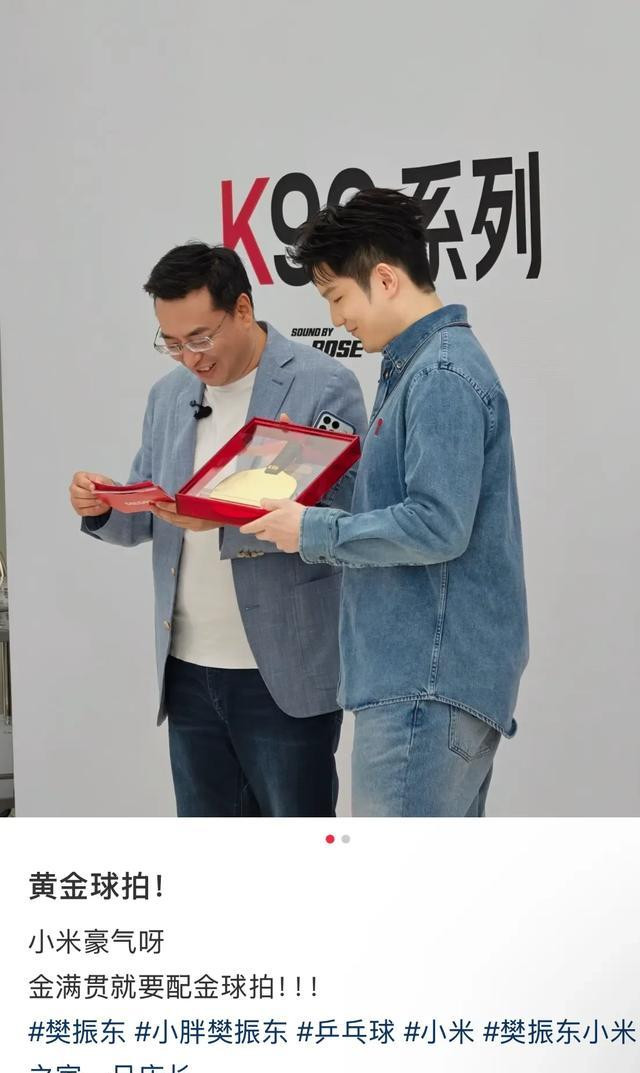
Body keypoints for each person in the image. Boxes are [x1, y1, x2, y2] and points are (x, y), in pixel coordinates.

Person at [240, 189, 529, 817]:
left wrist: (311, 530)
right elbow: (407, 503)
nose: (336, 318)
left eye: (337, 297)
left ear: (386, 279)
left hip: (423, 686)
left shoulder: (439, 374)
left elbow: (437, 525)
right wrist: (314, 458)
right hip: (425, 683)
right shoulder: (424, 368)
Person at [69, 243, 367, 818]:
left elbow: (350, 517)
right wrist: (101, 505)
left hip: (282, 669)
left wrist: (236, 511)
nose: (189, 358)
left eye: (200, 338)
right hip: (187, 669)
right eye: (171, 342)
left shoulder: (323, 383)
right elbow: (152, 513)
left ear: (244, 310)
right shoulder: (168, 396)